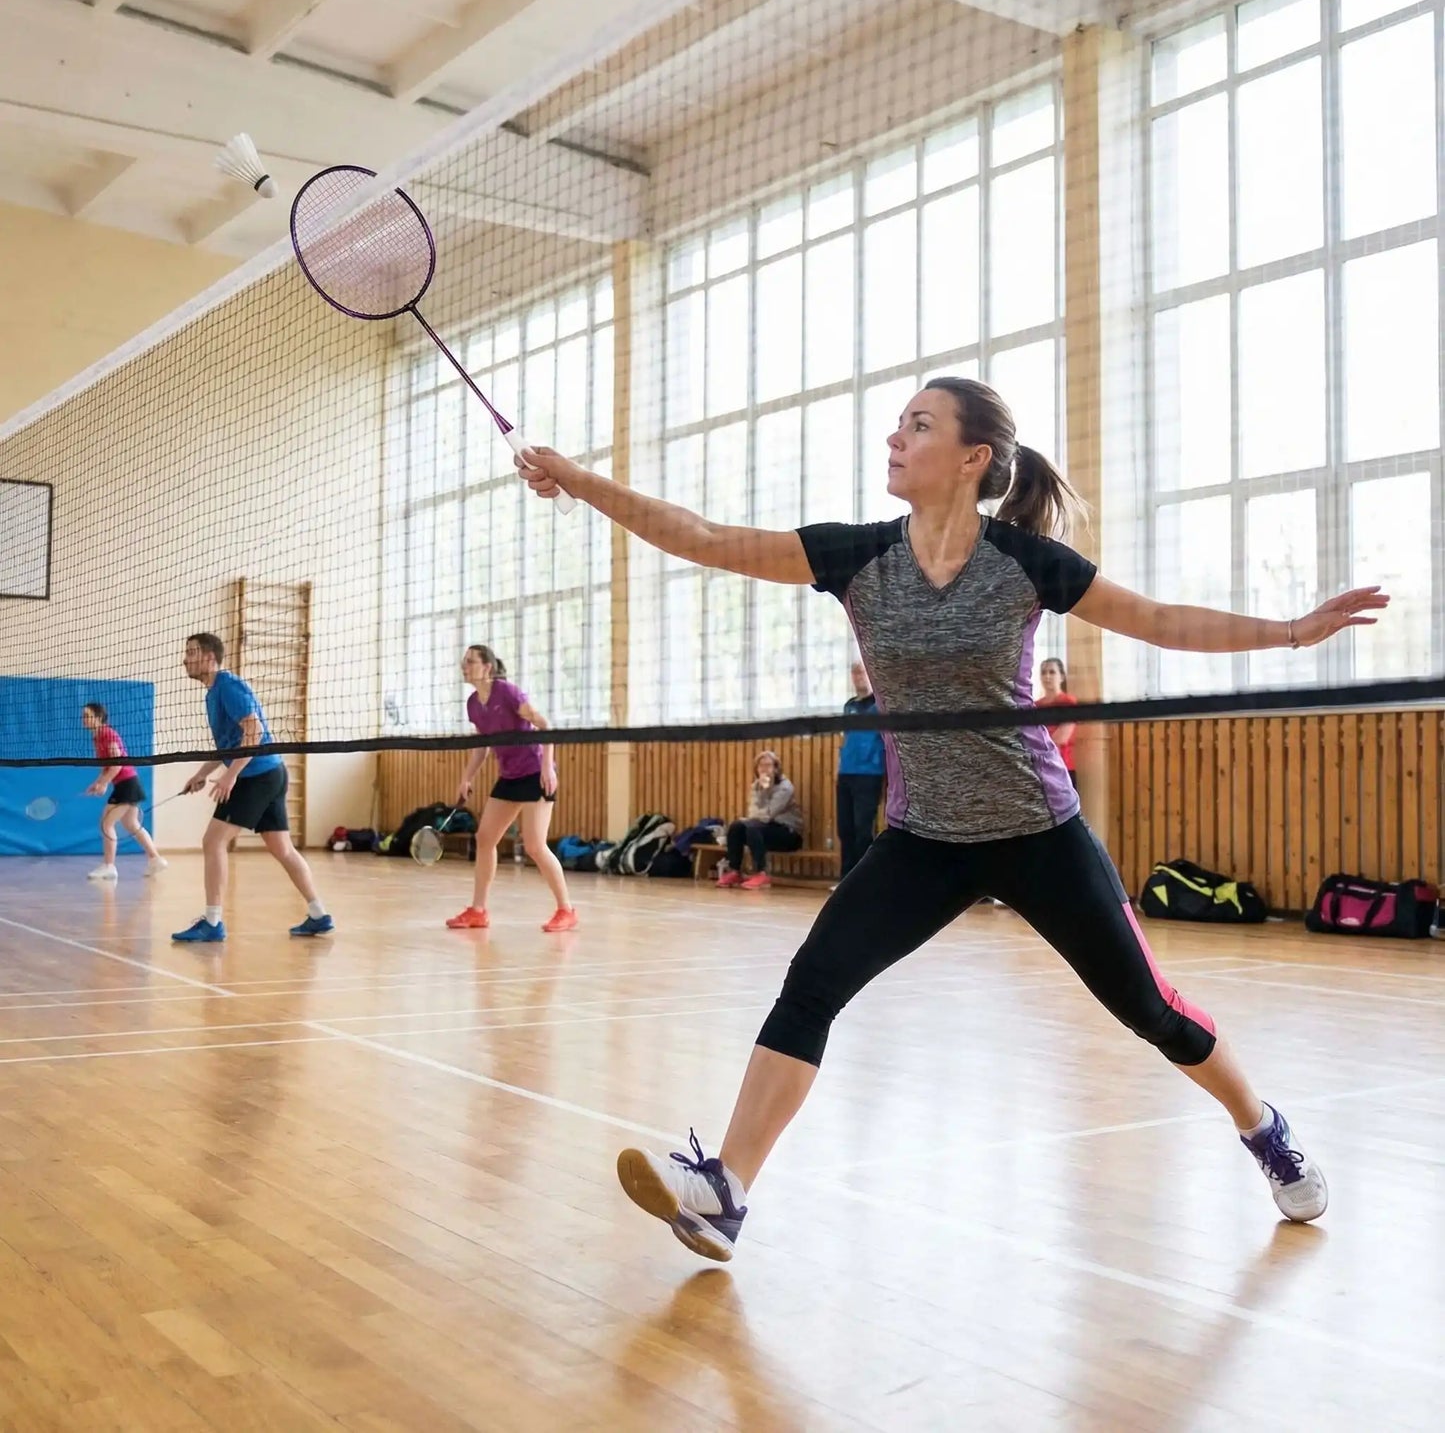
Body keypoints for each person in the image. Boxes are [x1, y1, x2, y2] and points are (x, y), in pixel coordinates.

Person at [517, 376, 1389, 1260]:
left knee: (1149, 1008)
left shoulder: (1023, 562)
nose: (894, 437)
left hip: (1036, 831)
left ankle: (1260, 1124)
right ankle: (727, 1188)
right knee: (811, 984)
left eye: (918, 425)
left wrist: (1288, 629)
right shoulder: (857, 558)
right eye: (898, 424)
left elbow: (1158, 620)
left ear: (973, 458)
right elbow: (702, 538)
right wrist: (579, 479)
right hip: (923, 838)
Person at [171, 633, 333, 943]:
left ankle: (213, 922)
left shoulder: (228, 687)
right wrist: (203, 773)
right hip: (270, 772)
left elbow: (254, 732)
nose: (185, 659)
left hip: (256, 775)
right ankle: (318, 914)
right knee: (282, 848)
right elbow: (231, 744)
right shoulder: (213, 693)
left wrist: (231, 776)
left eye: (192, 652)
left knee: (213, 841)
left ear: (209, 658)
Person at [446, 644, 577, 933]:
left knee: (534, 845)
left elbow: (545, 725)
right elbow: (481, 747)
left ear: (487, 667)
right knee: (485, 838)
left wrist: (547, 767)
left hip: (535, 773)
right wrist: (466, 778)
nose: (464, 666)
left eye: (470, 661)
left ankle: (566, 910)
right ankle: (478, 911)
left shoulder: (507, 693)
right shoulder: (472, 704)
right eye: (463, 661)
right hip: (509, 776)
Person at [81, 702, 166, 881]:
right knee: (131, 824)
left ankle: (109, 867)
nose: (84, 720)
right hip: (126, 783)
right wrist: (97, 783)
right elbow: (107, 766)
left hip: (127, 783)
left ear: (99, 718)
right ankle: (155, 859)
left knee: (106, 824)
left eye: (88, 716)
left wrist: (104, 784)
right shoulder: (97, 737)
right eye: (83, 716)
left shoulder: (107, 733)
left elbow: (117, 763)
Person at [718, 751, 804, 890]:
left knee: (752, 827)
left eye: (768, 765)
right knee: (737, 826)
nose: (764, 769)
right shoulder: (755, 786)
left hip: (787, 833)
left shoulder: (785, 787)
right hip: (764, 828)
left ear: (776, 768)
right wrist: (761, 793)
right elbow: (752, 811)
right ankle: (734, 870)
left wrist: (765, 791)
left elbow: (770, 813)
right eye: (761, 766)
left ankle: (761, 872)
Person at [836, 662, 884, 879]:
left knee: (862, 828)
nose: (858, 677)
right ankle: (845, 878)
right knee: (845, 828)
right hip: (846, 774)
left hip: (869, 774)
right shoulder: (849, 706)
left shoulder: (881, 705)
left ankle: (864, 879)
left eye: (862, 672)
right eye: (854, 672)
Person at [1038, 657, 1079, 788]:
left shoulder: (1068, 702)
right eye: (1043, 672)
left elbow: (1062, 737)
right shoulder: (1034, 705)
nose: (1047, 676)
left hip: (1062, 767)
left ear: (1061, 677)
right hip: (1039, 769)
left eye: (1052, 672)